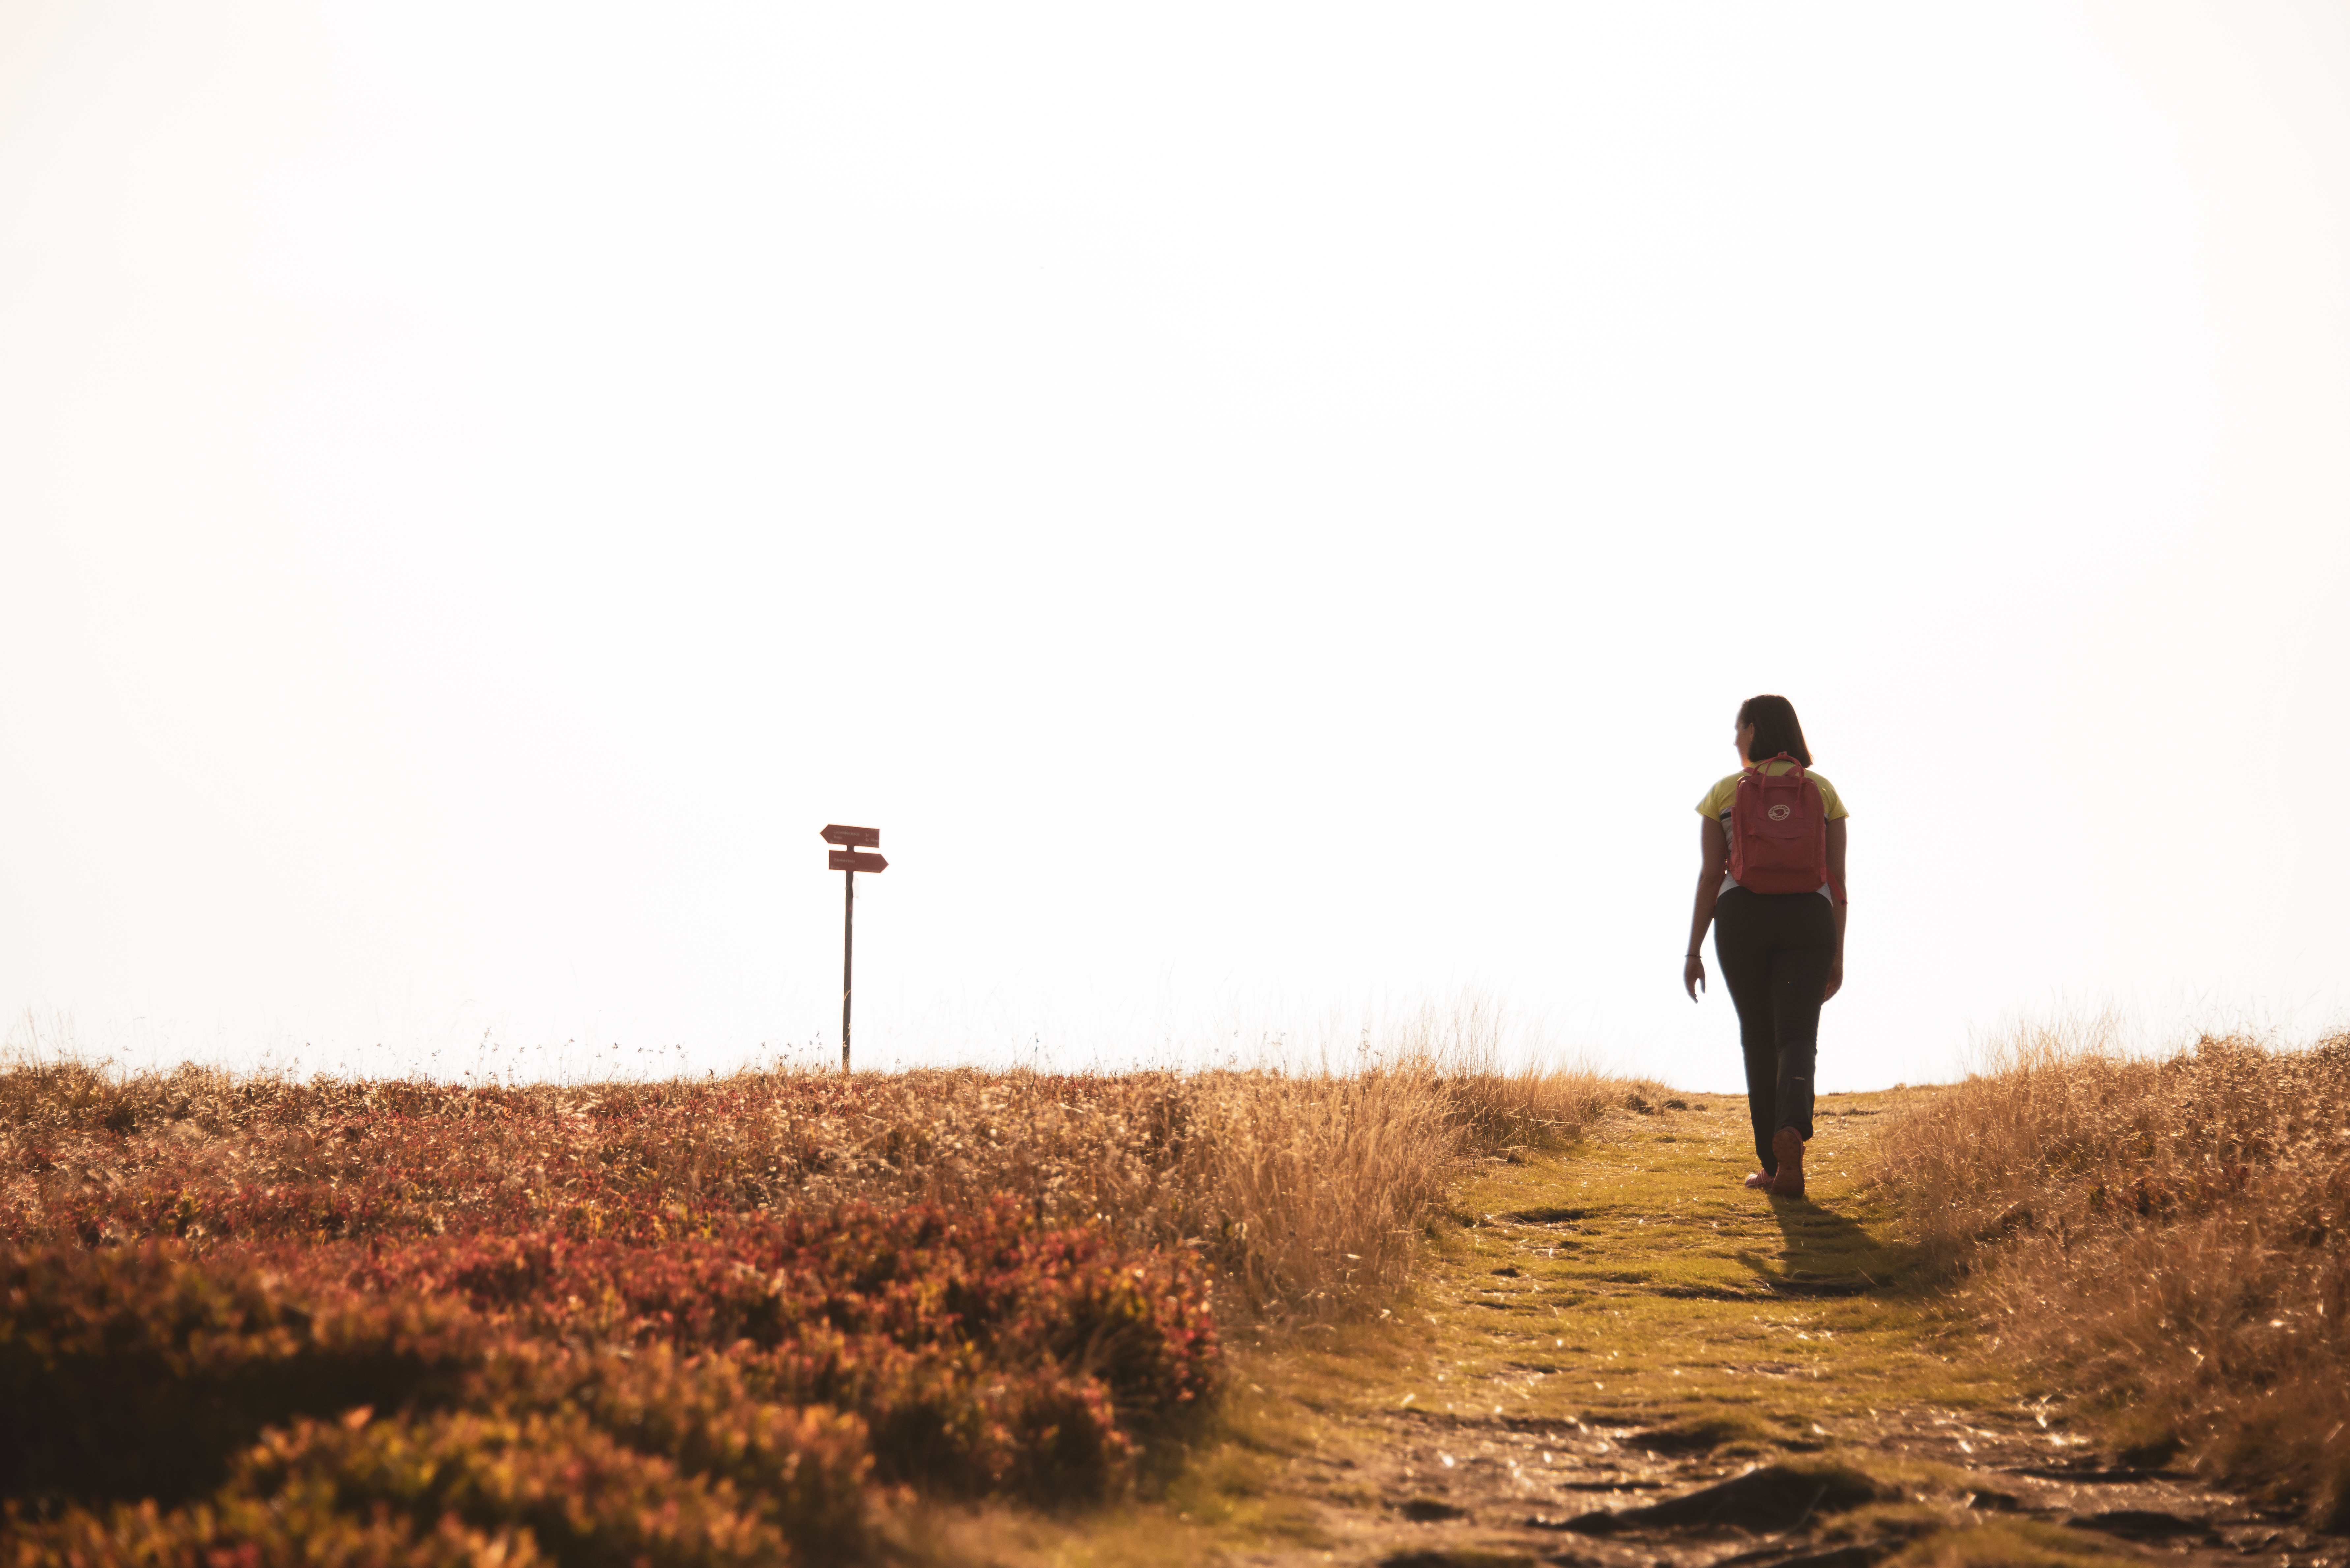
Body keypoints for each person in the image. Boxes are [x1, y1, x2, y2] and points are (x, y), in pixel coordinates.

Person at [1681, 695, 1848, 1198]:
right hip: (1809, 918)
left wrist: (1693, 951)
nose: (1735, 739)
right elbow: (1838, 882)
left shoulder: (1723, 793)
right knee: (1797, 1035)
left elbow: (1711, 876)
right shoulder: (1823, 791)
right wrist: (1837, 954)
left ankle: (1773, 1168)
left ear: (1753, 730)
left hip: (1742, 918)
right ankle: (1791, 1129)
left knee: (1757, 1037)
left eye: (1739, 729)